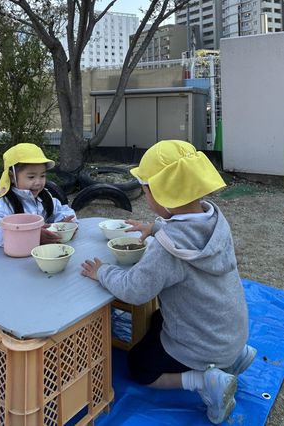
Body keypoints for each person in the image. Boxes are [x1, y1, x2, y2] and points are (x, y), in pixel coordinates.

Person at [81, 140, 256, 425]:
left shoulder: (166, 249)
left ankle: (204, 380)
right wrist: (155, 227)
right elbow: (187, 227)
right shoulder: (215, 220)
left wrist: (102, 272)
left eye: (146, 191)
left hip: (203, 345)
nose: (147, 198)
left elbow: (134, 290)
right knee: (157, 320)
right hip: (232, 333)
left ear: (161, 194)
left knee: (139, 365)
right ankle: (232, 359)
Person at [0, 143, 77, 246]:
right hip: (9, 255)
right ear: (12, 177)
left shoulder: (44, 198)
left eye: (42, 176)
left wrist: (66, 223)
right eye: (31, 177)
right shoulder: (4, 205)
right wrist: (33, 236)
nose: (38, 182)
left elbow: (63, 210)